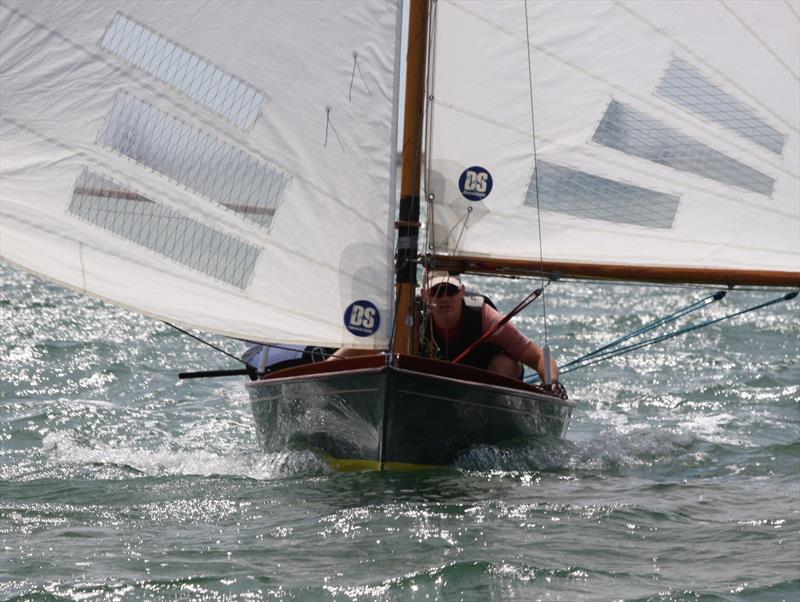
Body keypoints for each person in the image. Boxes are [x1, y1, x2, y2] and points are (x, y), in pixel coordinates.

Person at [421, 270, 567, 399]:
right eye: (437, 291)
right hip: (437, 382)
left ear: (462, 292)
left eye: (451, 290)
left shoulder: (485, 317)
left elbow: (539, 357)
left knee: (505, 365)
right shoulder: (412, 317)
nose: (445, 298)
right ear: (425, 295)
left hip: (487, 380)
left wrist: (551, 382)